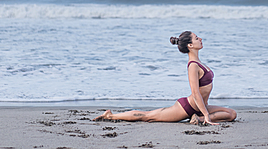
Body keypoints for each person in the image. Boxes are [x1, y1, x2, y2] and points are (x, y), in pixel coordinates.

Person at [93, 31, 236, 125]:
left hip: (200, 108)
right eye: (197, 38)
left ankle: (197, 119)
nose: (201, 39)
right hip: (187, 107)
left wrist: (203, 114)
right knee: (148, 116)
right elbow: (195, 93)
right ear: (190, 45)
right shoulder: (192, 66)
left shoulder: (199, 62)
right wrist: (207, 115)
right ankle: (110, 116)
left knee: (231, 114)